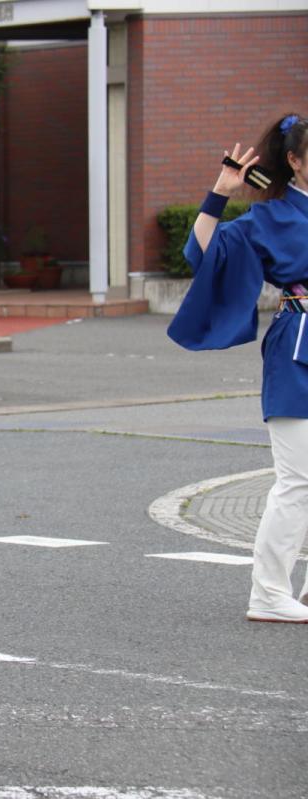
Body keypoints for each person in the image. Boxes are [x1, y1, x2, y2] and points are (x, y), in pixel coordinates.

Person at [168, 113, 308, 624]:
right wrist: (219, 193)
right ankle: (269, 592)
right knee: (299, 480)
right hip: (298, 351)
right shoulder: (270, 218)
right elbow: (203, 253)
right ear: (293, 161)